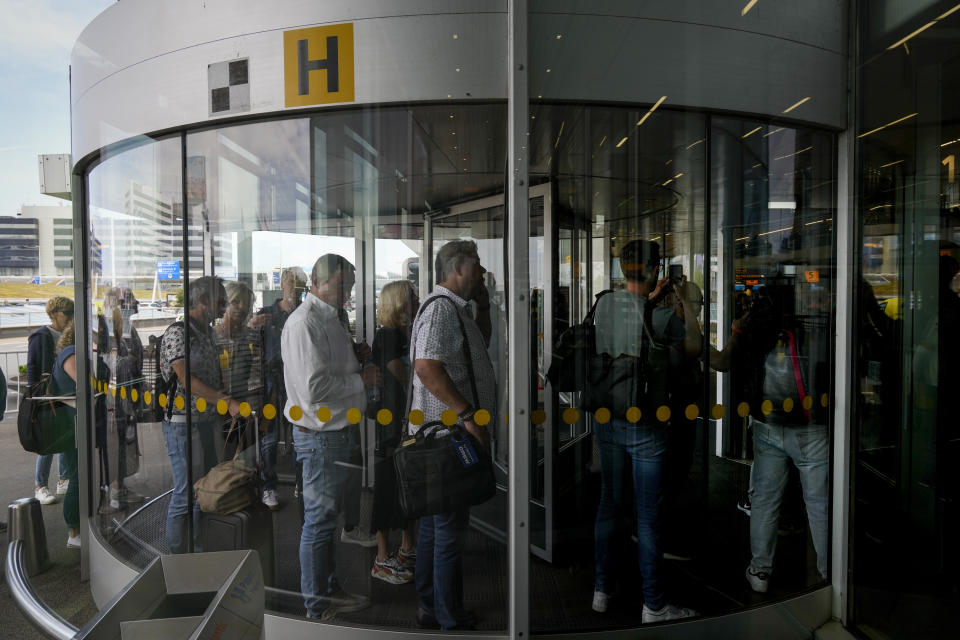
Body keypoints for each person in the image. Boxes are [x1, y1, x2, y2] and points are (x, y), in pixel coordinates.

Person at [590, 239, 699, 622]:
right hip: (646, 427)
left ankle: (602, 590)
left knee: (609, 503)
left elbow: (627, 321)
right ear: (655, 270)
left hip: (607, 418)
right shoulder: (664, 319)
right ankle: (654, 604)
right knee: (649, 516)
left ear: (622, 269)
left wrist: (651, 297)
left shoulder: (604, 304)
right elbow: (693, 350)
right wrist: (684, 304)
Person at [282, 254, 379, 620]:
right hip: (322, 438)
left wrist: (354, 358)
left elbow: (324, 369)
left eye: (350, 285)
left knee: (325, 522)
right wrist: (361, 379)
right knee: (320, 524)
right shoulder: (305, 323)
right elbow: (313, 388)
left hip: (334, 434)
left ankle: (327, 591)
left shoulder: (328, 319)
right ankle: (316, 607)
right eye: (342, 285)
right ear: (316, 282)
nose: (347, 292)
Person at [410, 240, 497, 630]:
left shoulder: (455, 309)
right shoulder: (443, 309)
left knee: (434, 525)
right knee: (448, 530)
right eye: (476, 265)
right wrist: (467, 415)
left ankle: (431, 606)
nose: (480, 271)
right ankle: (449, 616)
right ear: (458, 268)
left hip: (446, 436)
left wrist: (486, 305)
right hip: (449, 439)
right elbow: (427, 367)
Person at [741, 284, 830, 593]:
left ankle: (760, 571)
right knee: (818, 502)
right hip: (811, 429)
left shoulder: (757, 329)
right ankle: (826, 572)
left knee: (765, 500)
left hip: (767, 425)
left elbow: (735, 365)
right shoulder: (817, 328)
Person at [159, 276, 242, 554]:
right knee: (185, 494)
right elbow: (185, 378)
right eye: (219, 300)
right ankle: (175, 559)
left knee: (201, 491)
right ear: (203, 301)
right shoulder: (178, 332)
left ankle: (195, 552)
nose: (224, 306)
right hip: (184, 425)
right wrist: (224, 399)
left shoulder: (205, 333)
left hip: (206, 422)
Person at [369, 280, 420, 584]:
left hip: (404, 421)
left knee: (404, 485)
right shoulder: (387, 336)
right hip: (391, 425)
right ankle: (381, 556)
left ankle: (406, 547)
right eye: (411, 295)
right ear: (400, 302)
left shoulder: (405, 333)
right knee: (386, 487)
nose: (416, 298)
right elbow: (405, 377)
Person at [249, 267, 307, 509]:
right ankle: (268, 487)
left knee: (299, 434)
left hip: (297, 382)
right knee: (270, 438)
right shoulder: (267, 314)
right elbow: (247, 341)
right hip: (272, 383)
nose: (294, 286)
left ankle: (300, 484)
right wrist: (253, 324)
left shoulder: (305, 314)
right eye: (290, 281)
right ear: (282, 283)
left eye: (298, 283)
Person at [27, 297, 73, 506]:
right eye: (67, 312)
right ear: (54, 313)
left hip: (64, 395)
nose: (71, 316)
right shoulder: (41, 336)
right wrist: (33, 398)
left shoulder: (70, 335)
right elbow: (32, 368)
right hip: (46, 396)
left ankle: (63, 479)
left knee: (65, 438)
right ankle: (40, 485)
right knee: (47, 442)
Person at [214, 281, 263, 465]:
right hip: (215, 414)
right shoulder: (211, 338)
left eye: (246, 303)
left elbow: (258, 376)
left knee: (245, 470)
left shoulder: (254, 337)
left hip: (247, 415)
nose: (242, 307)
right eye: (236, 301)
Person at [48, 320, 81, 548]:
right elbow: (84, 383)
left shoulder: (70, 352)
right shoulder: (70, 353)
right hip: (72, 425)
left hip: (75, 423)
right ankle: (73, 533)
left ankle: (78, 529)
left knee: (79, 476)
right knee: (77, 478)